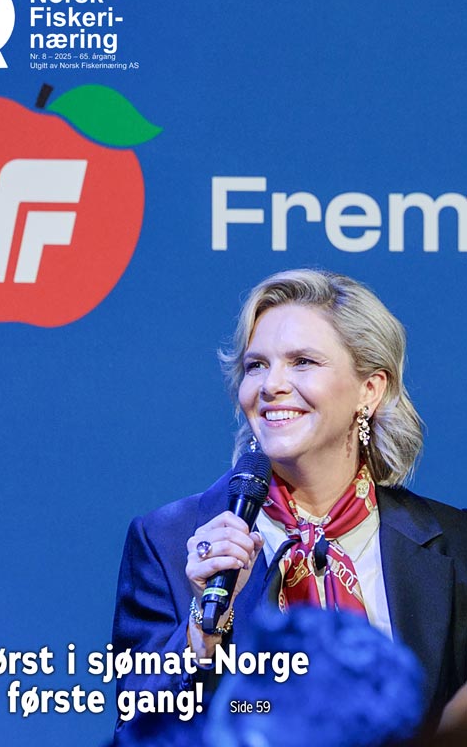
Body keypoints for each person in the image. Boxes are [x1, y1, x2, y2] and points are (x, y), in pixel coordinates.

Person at [112, 269, 467, 744]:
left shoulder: (453, 544)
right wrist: (204, 628)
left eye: (302, 362)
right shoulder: (169, 540)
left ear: (370, 389)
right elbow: (135, 732)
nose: (271, 385)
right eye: (256, 365)